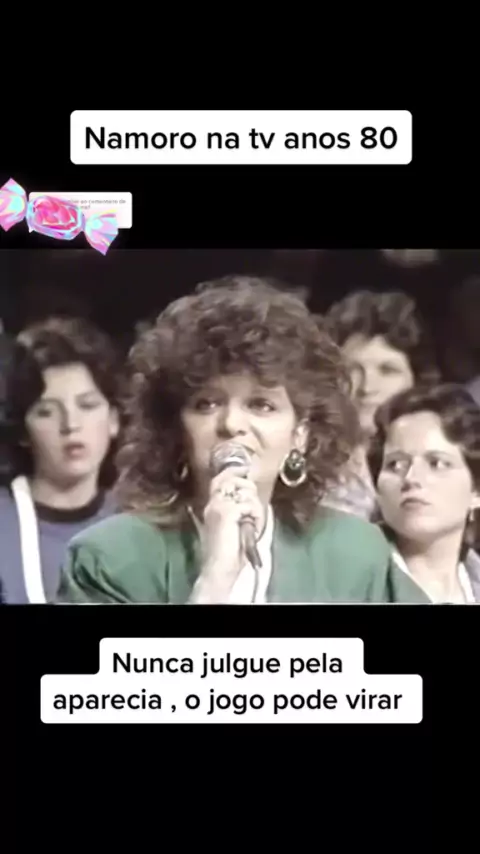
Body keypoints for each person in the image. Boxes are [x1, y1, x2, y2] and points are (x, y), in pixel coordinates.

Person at [56, 277, 425, 604]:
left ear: (300, 435)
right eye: (207, 404)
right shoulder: (108, 560)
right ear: (176, 429)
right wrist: (214, 581)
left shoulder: (356, 553)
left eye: (261, 405)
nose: (231, 424)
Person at [0, 316, 123, 603]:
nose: (71, 425)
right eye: (47, 411)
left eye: (87, 405)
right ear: (23, 430)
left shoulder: (141, 522)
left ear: (114, 419)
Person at [322, 289, 440, 520]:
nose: (367, 387)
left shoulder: (446, 463)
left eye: (387, 370)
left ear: (417, 380)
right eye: (353, 370)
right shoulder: (307, 463)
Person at [367, 384, 480, 603]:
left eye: (437, 463)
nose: (411, 478)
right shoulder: (347, 579)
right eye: (395, 464)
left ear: (476, 491)